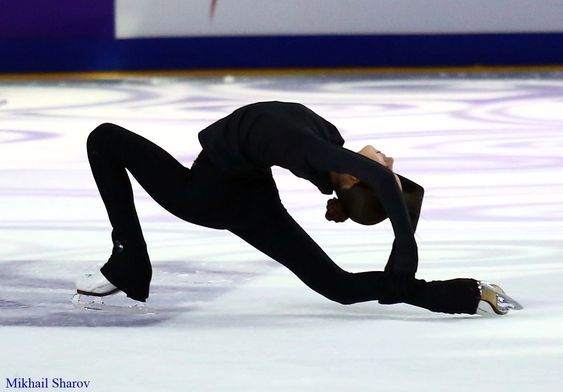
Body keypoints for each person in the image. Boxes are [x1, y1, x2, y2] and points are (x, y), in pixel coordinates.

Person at [76, 101, 521, 315]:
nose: (390, 162)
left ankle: (129, 259)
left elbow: (380, 180)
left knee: (104, 137)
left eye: (386, 168)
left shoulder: (320, 152)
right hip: (249, 193)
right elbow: (374, 180)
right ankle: (462, 294)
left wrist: (405, 247)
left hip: (206, 194)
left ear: (351, 178)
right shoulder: (327, 145)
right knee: (338, 287)